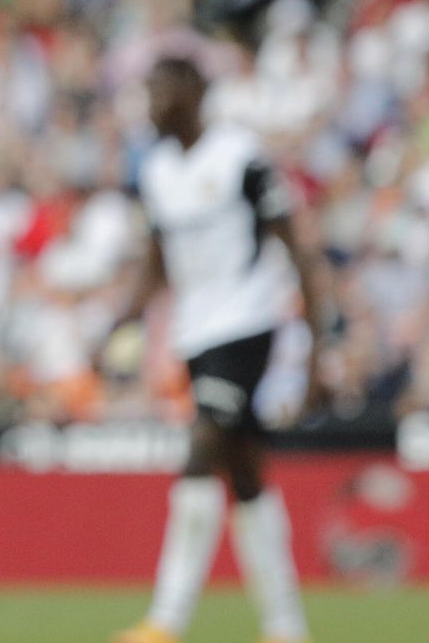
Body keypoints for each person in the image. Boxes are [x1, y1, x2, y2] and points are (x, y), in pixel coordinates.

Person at [107, 55, 327, 643]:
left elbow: (298, 251)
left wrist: (318, 353)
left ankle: (166, 620)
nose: (149, 104)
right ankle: (286, 626)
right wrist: (119, 321)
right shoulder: (155, 171)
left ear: (190, 92)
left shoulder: (241, 157)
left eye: (157, 90)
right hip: (195, 332)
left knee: (202, 445)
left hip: (249, 322)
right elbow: (157, 260)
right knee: (246, 471)